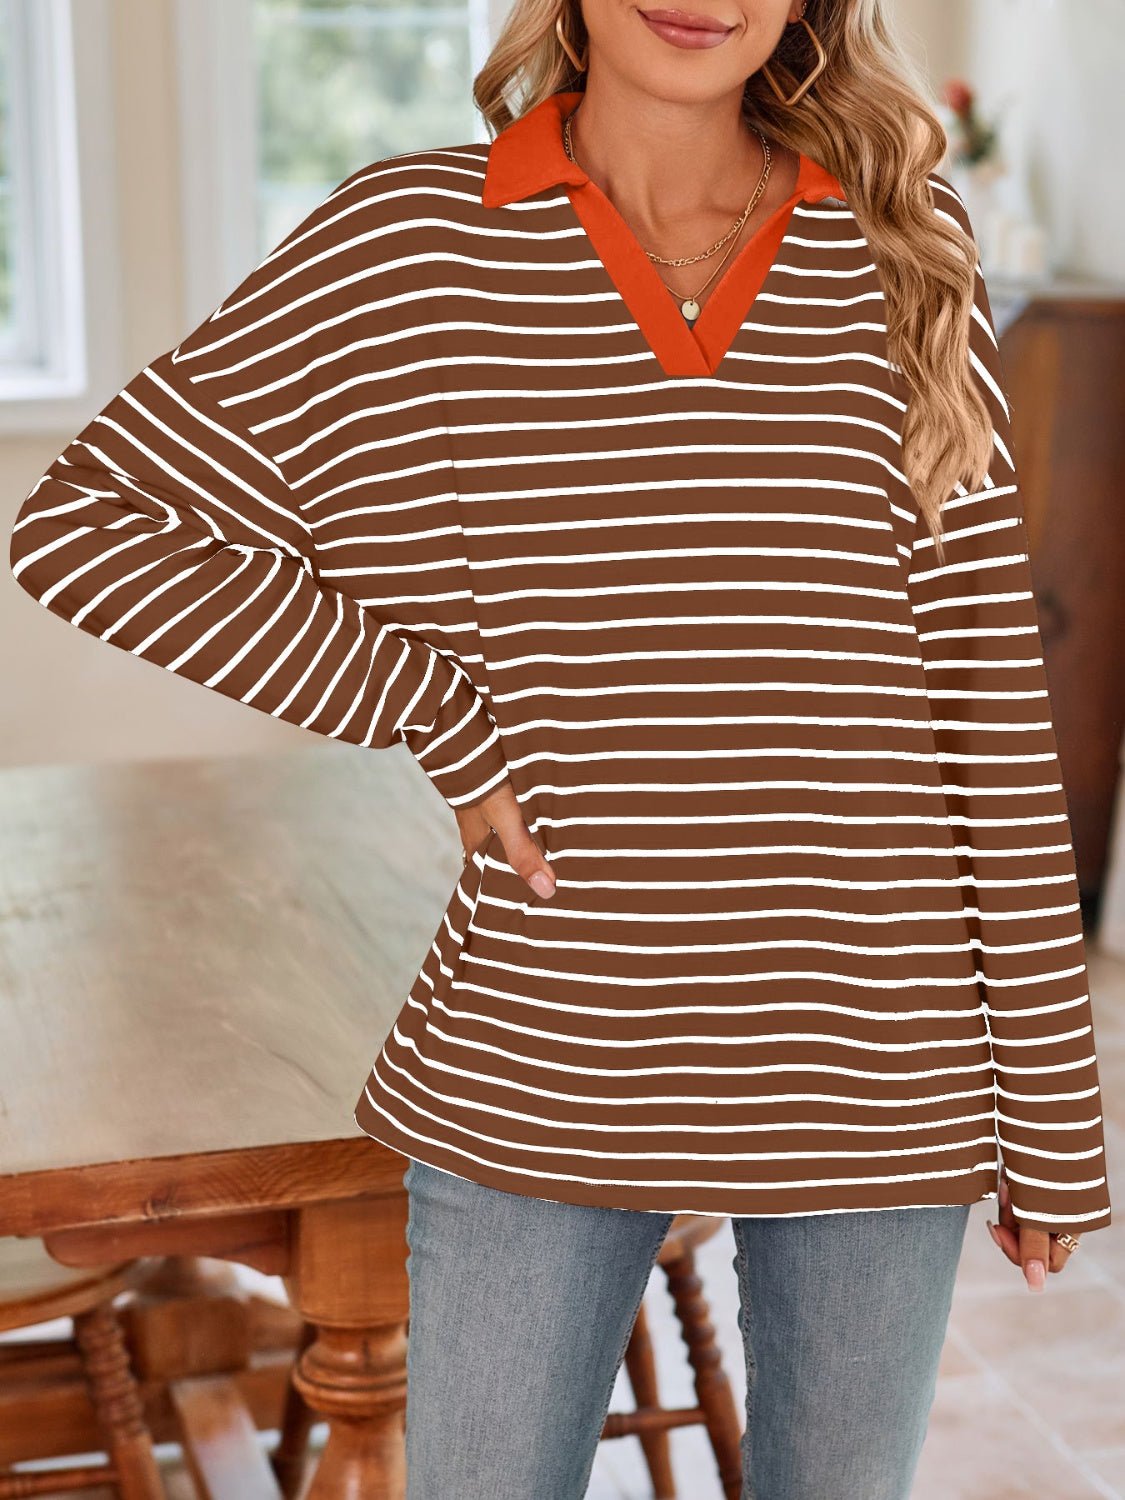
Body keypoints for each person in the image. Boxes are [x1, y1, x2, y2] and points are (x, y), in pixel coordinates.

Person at [9, 0, 1112, 1495]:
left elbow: (983, 695)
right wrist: (438, 713)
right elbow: (91, 527)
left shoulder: (903, 245)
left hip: (877, 1050)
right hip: (546, 1039)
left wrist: (1051, 1107)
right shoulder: (412, 238)